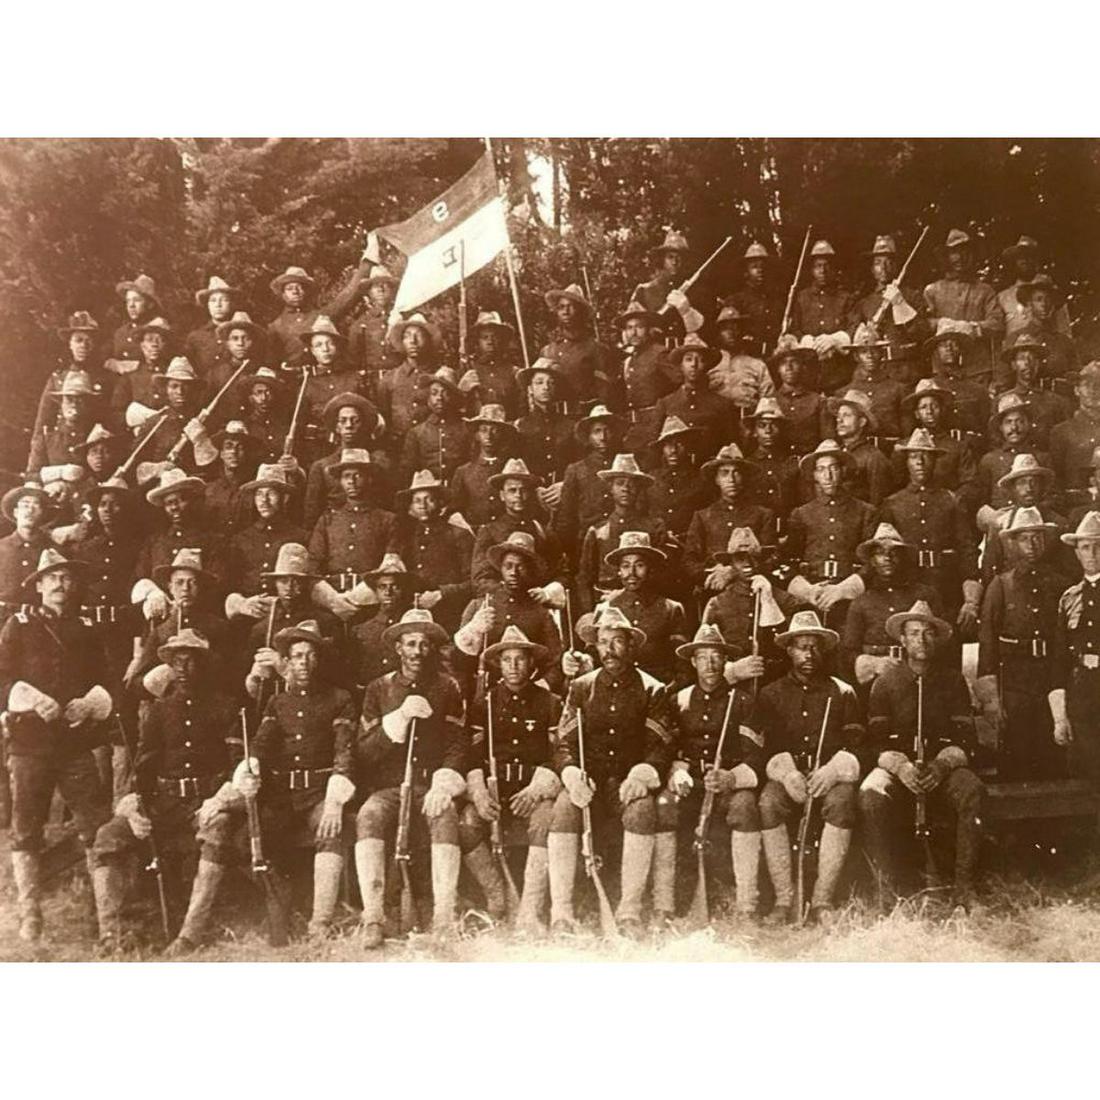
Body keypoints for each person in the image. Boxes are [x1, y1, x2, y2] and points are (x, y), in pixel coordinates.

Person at [90, 627, 238, 952]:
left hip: (206, 804)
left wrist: (220, 799)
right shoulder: (159, 711)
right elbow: (144, 767)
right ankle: (110, 935)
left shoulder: (225, 707)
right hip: (163, 805)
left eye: (191, 661)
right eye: (177, 662)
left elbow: (237, 766)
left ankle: (190, 935)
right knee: (108, 836)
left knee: (218, 830)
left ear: (204, 665)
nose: (183, 669)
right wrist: (135, 807)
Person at [0, 548, 113, 942]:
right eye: (53, 578)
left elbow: (104, 680)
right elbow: (2, 681)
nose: (60, 584)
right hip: (29, 745)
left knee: (94, 826)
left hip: (74, 743)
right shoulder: (19, 625)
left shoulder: (86, 628)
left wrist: (89, 701)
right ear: (39, 585)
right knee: (27, 829)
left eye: (66, 578)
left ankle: (104, 915)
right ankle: (30, 916)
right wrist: (30, 699)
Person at [547, 606, 673, 935]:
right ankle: (561, 912)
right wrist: (572, 774)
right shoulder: (580, 687)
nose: (610, 649)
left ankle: (629, 910)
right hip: (591, 782)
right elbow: (563, 744)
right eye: (603, 642)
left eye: (618, 641)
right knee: (563, 808)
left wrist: (643, 772)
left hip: (628, 784)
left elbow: (661, 746)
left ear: (631, 646)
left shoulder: (652, 689)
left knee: (643, 809)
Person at [353, 607, 467, 948]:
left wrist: (443, 782)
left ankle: (444, 917)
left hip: (430, 785)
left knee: (444, 816)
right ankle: (373, 917)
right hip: (388, 788)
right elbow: (364, 751)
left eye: (424, 644)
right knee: (369, 815)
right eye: (410, 643)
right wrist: (398, 718)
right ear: (398, 648)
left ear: (431, 648)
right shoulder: (378, 689)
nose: (417, 651)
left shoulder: (448, 686)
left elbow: (458, 743)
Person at [860, 600, 983, 912]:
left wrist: (942, 765)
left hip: (940, 767)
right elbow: (874, 742)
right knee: (870, 795)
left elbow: (966, 738)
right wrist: (899, 766)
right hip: (898, 768)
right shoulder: (885, 682)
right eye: (914, 633)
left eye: (928, 633)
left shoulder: (952, 680)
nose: (921, 640)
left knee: (971, 789)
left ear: (937, 639)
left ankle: (963, 888)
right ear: (902, 640)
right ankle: (886, 891)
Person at [754, 610, 863, 923]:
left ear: (823, 649)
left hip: (828, 777)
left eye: (814, 646)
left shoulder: (842, 692)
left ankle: (822, 899)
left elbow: (856, 745)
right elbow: (761, 749)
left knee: (843, 802)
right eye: (801, 646)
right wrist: (786, 773)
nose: (808, 653)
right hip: (787, 778)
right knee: (769, 802)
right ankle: (784, 898)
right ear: (789, 650)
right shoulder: (770, 694)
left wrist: (832, 770)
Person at [250, 619, 357, 938]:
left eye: (310, 655)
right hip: (283, 797)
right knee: (250, 836)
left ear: (319, 659)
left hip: (320, 793)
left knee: (330, 830)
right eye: (297, 656)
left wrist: (335, 800)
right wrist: (251, 764)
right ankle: (278, 910)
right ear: (287, 662)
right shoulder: (277, 702)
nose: (304, 662)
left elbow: (344, 750)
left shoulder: (339, 698)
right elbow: (262, 743)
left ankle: (320, 921)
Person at [461, 625, 562, 929]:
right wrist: (479, 792)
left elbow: (559, 754)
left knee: (547, 822)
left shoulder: (550, 702)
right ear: (499, 664)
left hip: (535, 789)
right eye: (507, 660)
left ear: (532, 664)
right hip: (496, 789)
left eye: (521, 659)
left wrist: (537, 789)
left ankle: (529, 907)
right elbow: (471, 756)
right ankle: (497, 895)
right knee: (465, 824)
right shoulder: (485, 703)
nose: (514, 666)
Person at [662, 623, 764, 920]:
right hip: (690, 784)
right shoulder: (677, 701)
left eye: (717, 656)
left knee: (745, 807)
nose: (710, 663)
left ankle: (747, 904)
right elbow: (667, 751)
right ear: (693, 661)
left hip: (727, 785)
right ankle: (664, 903)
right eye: (703, 656)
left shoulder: (743, 701)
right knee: (664, 805)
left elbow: (755, 757)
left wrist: (731, 778)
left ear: (725, 660)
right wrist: (676, 773)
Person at [977, 508, 1068, 781]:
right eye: (1024, 538)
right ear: (1013, 543)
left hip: (1051, 678)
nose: (1032, 544)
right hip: (1015, 682)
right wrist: (992, 699)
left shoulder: (1059, 584)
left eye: (1037, 537)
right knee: (1016, 755)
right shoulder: (1001, 586)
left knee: (1052, 754)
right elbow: (988, 642)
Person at [879, 429, 981, 640]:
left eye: (926, 456)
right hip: (909, 583)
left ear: (934, 461)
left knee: (946, 640)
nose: (920, 462)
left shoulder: (950, 500)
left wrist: (970, 600)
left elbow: (966, 548)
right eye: (914, 456)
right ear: (906, 461)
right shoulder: (893, 503)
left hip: (946, 583)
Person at [454, 531, 564, 694]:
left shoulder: (541, 612)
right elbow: (458, 659)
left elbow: (555, 663)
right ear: (500, 568)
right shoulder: (479, 605)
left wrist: (539, 689)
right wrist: (474, 629)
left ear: (530, 569)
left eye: (520, 566)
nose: (514, 572)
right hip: (486, 695)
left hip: (529, 695)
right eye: (508, 566)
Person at [784, 440, 877, 630]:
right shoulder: (801, 513)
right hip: (813, 595)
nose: (827, 475)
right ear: (814, 475)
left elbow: (874, 561)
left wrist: (842, 590)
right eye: (821, 469)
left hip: (850, 597)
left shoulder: (865, 511)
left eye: (834, 468)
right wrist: (808, 591)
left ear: (843, 471)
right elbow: (787, 559)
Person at [840, 523, 940, 691]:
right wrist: (874, 664)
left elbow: (941, 644)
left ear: (903, 557)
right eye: (880, 553)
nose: (887, 558)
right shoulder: (862, 602)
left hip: (919, 678)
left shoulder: (925, 595)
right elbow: (848, 652)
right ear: (872, 560)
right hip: (875, 681)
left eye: (894, 553)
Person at [700, 527, 798, 685]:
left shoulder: (785, 600)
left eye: (753, 558)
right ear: (730, 563)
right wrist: (734, 671)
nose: (747, 564)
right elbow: (705, 650)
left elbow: (792, 646)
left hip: (776, 683)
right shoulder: (717, 603)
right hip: (735, 684)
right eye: (739, 559)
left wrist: (768, 600)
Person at [306, 448, 395, 611]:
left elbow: (390, 567)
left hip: (370, 601)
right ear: (340, 481)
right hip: (331, 601)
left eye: (358, 475)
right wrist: (332, 601)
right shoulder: (327, 520)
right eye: (346, 476)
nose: (351, 481)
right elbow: (313, 566)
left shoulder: (387, 519)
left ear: (369, 479)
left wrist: (358, 598)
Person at [388, 469, 474, 634]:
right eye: (417, 501)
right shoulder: (405, 536)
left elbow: (473, 583)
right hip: (409, 612)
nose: (423, 505)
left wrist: (440, 594)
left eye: (429, 499)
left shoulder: (458, 535)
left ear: (440, 503)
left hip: (448, 613)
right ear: (410, 506)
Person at [1050, 512, 1100, 790]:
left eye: (1098, 545)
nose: (1092, 553)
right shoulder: (1069, 599)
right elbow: (1059, 662)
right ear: (1076, 553)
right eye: (1085, 547)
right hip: (1081, 697)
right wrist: (1060, 716)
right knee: (1083, 778)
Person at [683, 443, 774, 595]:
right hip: (714, 589)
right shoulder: (703, 516)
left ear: (744, 477)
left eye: (736, 472)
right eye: (724, 473)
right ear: (716, 479)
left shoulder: (762, 514)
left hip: (752, 589)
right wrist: (711, 574)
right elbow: (689, 562)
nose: (731, 479)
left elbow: (771, 559)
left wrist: (734, 572)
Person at [576, 455, 664, 613]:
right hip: (605, 603)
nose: (626, 488)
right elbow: (585, 579)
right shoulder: (597, 531)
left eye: (632, 484)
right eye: (620, 483)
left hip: (644, 604)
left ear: (638, 489)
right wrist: (590, 612)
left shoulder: (653, 528)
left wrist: (625, 596)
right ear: (610, 488)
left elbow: (660, 574)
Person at [599, 531, 689, 685]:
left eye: (639, 565)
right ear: (619, 571)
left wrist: (668, 692)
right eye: (626, 566)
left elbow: (683, 668)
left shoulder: (671, 609)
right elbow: (596, 658)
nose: (631, 573)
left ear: (650, 568)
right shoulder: (606, 608)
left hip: (660, 690)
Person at [922, 229, 1004, 384]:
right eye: (954, 253)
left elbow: (997, 324)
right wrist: (940, 323)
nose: (959, 258)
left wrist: (973, 328)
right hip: (943, 369)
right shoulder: (933, 290)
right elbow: (921, 325)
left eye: (965, 252)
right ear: (946, 257)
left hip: (977, 369)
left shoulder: (985, 290)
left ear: (972, 255)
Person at [471, 457, 562, 594]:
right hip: (502, 603)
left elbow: (559, 571)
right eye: (512, 490)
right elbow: (480, 579)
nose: (518, 495)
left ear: (531, 493)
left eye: (523, 490)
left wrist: (547, 592)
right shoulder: (489, 531)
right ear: (502, 495)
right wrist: (508, 592)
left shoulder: (542, 530)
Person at [304, 392, 388, 530]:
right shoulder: (321, 467)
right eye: (342, 421)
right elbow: (311, 517)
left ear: (364, 425)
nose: (348, 425)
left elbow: (386, 507)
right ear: (336, 427)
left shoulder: (378, 463)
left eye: (355, 420)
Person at [553, 404, 622, 565]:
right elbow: (566, 517)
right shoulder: (576, 470)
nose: (603, 437)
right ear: (588, 437)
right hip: (587, 543)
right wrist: (567, 550)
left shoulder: (624, 465)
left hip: (622, 540)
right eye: (596, 431)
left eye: (607, 430)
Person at [653, 334, 736, 464]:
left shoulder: (722, 404)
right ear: (680, 365)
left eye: (700, 360)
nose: (694, 365)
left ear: (707, 366)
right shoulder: (666, 403)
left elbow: (730, 445)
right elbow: (657, 446)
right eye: (688, 359)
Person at [847, 235, 924, 366]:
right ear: (872, 269)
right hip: (875, 368)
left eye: (889, 262)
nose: (883, 267)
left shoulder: (912, 297)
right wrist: (865, 332)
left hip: (906, 367)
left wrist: (900, 304)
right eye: (878, 263)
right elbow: (853, 335)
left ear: (896, 266)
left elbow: (922, 332)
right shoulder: (864, 303)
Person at [789, 239, 855, 393]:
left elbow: (854, 327)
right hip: (808, 374)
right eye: (818, 266)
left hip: (840, 375)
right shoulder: (801, 298)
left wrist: (834, 340)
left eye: (827, 265)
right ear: (811, 270)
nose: (823, 271)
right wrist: (807, 342)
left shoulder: (846, 298)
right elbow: (793, 329)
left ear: (834, 268)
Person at [896, 377, 978, 498]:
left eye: (934, 406)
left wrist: (952, 499)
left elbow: (970, 483)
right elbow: (897, 483)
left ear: (942, 410)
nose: (929, 411)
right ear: (917, 414)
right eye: (923, 407)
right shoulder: (905, 447)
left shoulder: (958, 447)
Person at [539, 283, 616, 409]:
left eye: (571, 306)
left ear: (581, 311)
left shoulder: (596, 349)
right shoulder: (548, 351)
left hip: (584, 416)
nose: (565, 312)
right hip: (555, 420)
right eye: (561, 307)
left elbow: (605, 393)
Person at [615, 299, 676, 453]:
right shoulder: (628, 360)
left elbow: (680, 384)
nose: (634, 333)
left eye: (639, 327)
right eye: (629, 328)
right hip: (633, 426)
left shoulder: (659, 353)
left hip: (655, 423)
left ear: (649, 329)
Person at [351, 554, 416, 693]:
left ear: (403, 590)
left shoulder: (412, 628)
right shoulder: (360, 630)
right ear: (375, 591)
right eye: (382, 587)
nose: (388, 592)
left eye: (395, 586)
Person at [448, 404, 519, 530]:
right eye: (483, 430)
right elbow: (455, 511)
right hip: (474, 536)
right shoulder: (464, 472)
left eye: (495, 430)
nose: (489, 436)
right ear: (476, 435)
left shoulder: (511, 470)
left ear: (503, 434)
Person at [512, 357, 575, 497]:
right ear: (530, 389)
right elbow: (513, 471)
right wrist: (534, 489)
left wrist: (565, 485)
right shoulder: (519, 428)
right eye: (539, 382)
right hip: (530, 498)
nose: (545, 387)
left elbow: (580, 466)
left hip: (566, 496)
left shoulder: (571, 427)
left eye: (551, 383)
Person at [995, 332, 1071, 447]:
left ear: (1039, 363)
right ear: (1013, 365)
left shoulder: (1057, 402)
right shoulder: (1000, 401)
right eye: (1021, 359)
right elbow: (996, 442)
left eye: (1033, 358)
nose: (1027, 363)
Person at [401, 367, 472, 486]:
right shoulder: (416, 433)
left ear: (454, 398)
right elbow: (407, 471)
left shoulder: (466, 429)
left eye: (446, 393)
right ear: (427, 398)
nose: (439, 398)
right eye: (434, 393)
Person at [629, 229, 704, 340]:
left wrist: (686, 309)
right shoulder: (644, 290)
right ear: (662, 260)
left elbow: (701, 327)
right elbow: (632, 324)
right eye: (670, 257)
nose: (675, 262)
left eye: (679, 258)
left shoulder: (694, 291)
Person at [837, 322, 906, 441]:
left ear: (881, 354)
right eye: (864, 352)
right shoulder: (844, 393)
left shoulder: (898, 389)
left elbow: (906, 431)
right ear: (856, 357)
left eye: (874, 351)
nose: (870, 356)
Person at [376, 313, 439, 440]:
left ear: (428, 339)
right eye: (407, 336)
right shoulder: (390, 379)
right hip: (398, 447)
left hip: (430, 446)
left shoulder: (438, 376)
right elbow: (383, 418)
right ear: (402, 341)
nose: (413, 341)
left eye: (419, 335)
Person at [826, 388, 893, 505]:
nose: (839, 420)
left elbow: (878, 503)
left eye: (846, 415)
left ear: (862, 422)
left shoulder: (874, 457)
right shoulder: (836, 452)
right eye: (839, 416)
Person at [923, 321, 991, 435]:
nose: (948, 348)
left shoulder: (977, 389)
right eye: (943, 345)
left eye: (953, 344)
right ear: (936, 351)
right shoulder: (928, 387)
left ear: (961, 350)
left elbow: (985, 429)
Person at [27, 370, 99, 476]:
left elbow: (103, 474)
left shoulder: (95, 436)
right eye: (69, 399)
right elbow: (32, 474)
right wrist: (59, 473)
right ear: (61, 403)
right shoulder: (48, 435)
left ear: (88, 404)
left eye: (80, 400)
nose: (74, 404)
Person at [743, 396, 800, 526]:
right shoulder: (746, 465)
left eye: (773, 425)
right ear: (754, 432)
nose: (768, 431)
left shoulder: (792, 464)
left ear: (781, 430)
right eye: (762, 426)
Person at [707, 303, 775, 414]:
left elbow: (768, 401)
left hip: (747, 419)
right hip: (716, 422)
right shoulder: (708, 363)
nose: (731, 333)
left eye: (736, 328)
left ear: (742, 332)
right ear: (718, 332)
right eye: (726, 329)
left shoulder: (757, 365)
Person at [457, 311, 524, 420]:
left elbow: (522, 410)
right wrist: (462, 391)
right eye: (485, 337)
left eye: (494, 337)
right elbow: (456, 409)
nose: (490, 341)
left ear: (502, 340)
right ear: (477, 341)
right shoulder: (466, 370)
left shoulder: (513, 372)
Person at [770, 334, 828, 454]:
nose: (789, 367)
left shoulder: (817, 401)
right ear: (778, 369)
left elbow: (827, 441)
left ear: (803, 366)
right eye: (783, 363)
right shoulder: (770, 401)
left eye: (794, 362)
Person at [348, 265, 401, 387]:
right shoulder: (360, 325)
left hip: (398, 381)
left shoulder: (401, 319)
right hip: (373, 383)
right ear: (369, 292)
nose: (381, 289)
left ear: (392, 290)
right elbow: (354, 362)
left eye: (386, 285)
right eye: (375, 285)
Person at [1051, 362, 1100, 493]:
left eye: (1099, 384)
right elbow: (1056, 482)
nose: (1093, 389)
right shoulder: (1061, 432)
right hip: (1076, 508)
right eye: (1086, 384)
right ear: (1076, 390)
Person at [723, 240, 779, 349]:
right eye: (754, 267)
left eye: (763, 266)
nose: (760, 270)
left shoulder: (777, 299)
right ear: (746, 272)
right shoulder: (735, 301)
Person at [185, 276, 242, 377]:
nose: (218, 305)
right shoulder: (196, 337)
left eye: (224, 300)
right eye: (213, 300)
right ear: (207, 305)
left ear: (232, 304)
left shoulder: (241, 335)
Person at [111, 274, 161, 362]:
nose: (131, 305)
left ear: (150, 304)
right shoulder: (120, 332)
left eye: (137, 300)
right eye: (128, 301)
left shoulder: (158, 329)